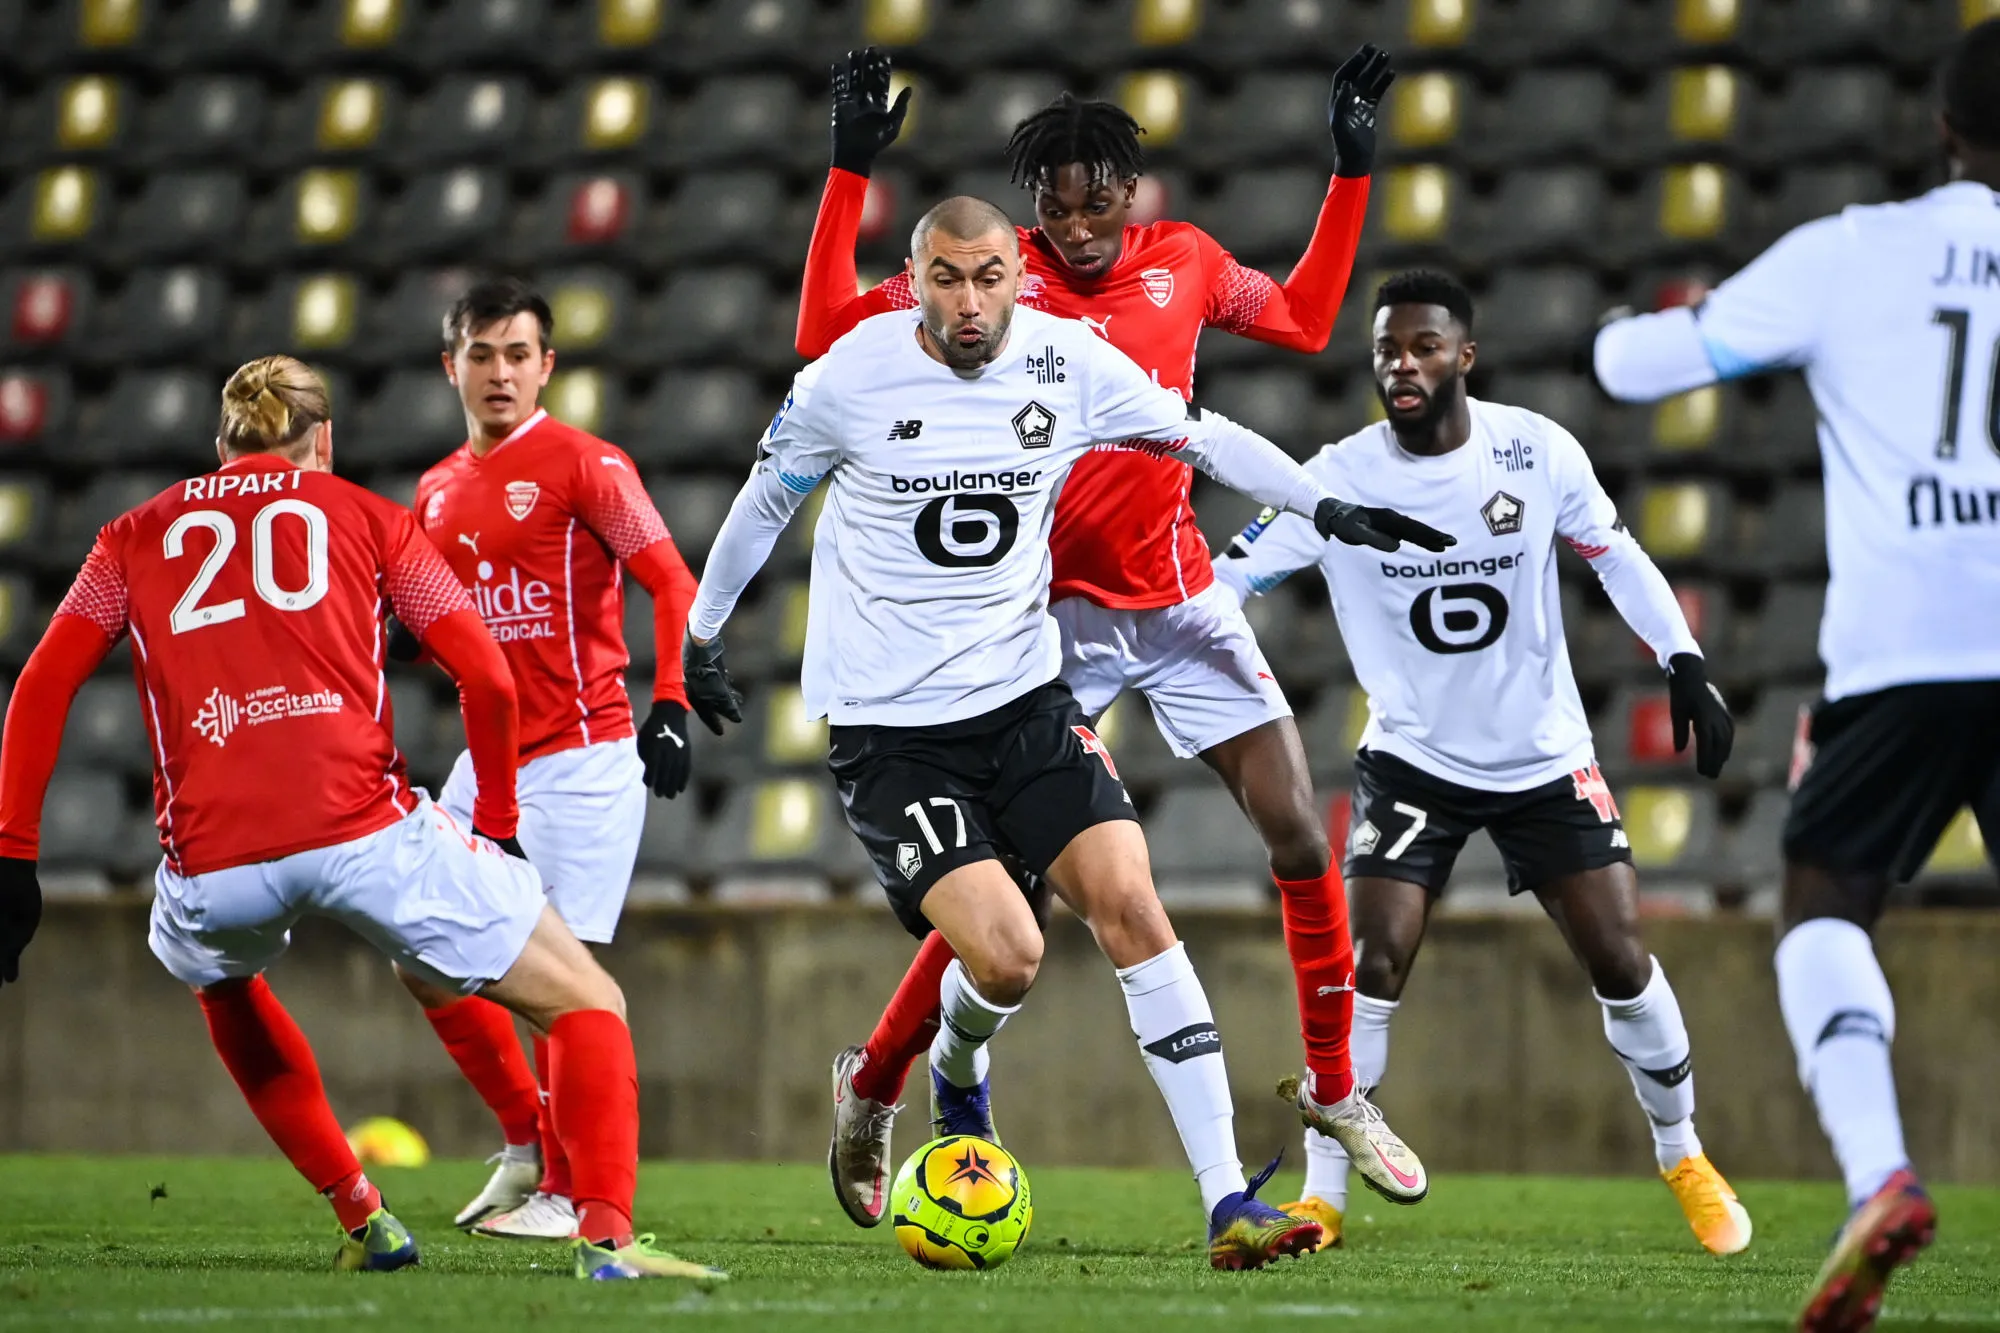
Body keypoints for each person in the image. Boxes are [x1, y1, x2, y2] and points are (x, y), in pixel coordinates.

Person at [687, 197, 1451, 1268]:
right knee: (1007, 957)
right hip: (892, 729)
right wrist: (699, 635)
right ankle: (927, 1074)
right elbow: (763, 502)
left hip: (1022, 700)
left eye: (988, 276)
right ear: (912, 280)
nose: (967, 300)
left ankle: (1227, 1198)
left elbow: (1202, 434)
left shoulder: (1064, 360)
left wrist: (1323, 509)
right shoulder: (847, 379)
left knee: (1133, 903)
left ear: (1015, 276)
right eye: (944, 278)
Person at [0, 357, 721, 1283]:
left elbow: (42, 683)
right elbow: (487, 677)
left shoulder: (128, 539)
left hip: (212, 861)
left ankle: (362, 1212)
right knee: (588, 1002)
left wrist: (15, 853)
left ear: (220, 447)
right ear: (325, 442)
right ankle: (607, 1240)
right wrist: (496, 820)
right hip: (364, 831)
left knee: (223, 984)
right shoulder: (375, 519)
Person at [1591, 22, 2000, 1328]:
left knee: (1826, 903)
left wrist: (1621, 329)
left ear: (1943, 128)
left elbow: (1642, 366)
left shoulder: (1851, 252)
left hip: (1902, 657)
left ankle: (1881, 1172)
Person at [1218, 272, 1751, 1256]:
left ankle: (1681, 1152)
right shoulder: (1332, 476)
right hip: (1411, 761)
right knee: (1365, 964)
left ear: (1463, 355)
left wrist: (1681, 656)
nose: (1400, 365)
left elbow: (1616, 553)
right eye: (1386, 349)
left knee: (1619, 958)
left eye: (1422, 347)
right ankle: (1321, 1197)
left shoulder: (1533, 450)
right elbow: (1224, 581)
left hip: (1541, 758)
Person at [385, 277, 701, 1241]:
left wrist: (673, 698)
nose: (500, 373)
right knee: (420, 953)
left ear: (547, 367)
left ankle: (573, 1195)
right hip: (486, 764)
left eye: (518, 355)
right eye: (481, 355)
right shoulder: (433, 491)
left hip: (581, 759)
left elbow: (670, 579)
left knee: (552, 980)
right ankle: (528, 1140)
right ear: (451, 367)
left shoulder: (588, 463)